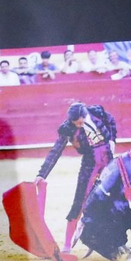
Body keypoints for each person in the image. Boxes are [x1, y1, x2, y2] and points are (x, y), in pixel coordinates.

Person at [35, 100, 120, 250]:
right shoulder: (68, 128)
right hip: (90, 164)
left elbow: (111, 121)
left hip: (109, 161)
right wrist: (42, 174)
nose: (78, 126)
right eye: (76, 124)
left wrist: (112, 139)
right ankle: (67, 244)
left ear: (85, 114)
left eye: (80, 123)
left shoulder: (97, 113)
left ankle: (115, 241)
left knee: (113, 200)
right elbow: (56, 151)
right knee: (80, 200)